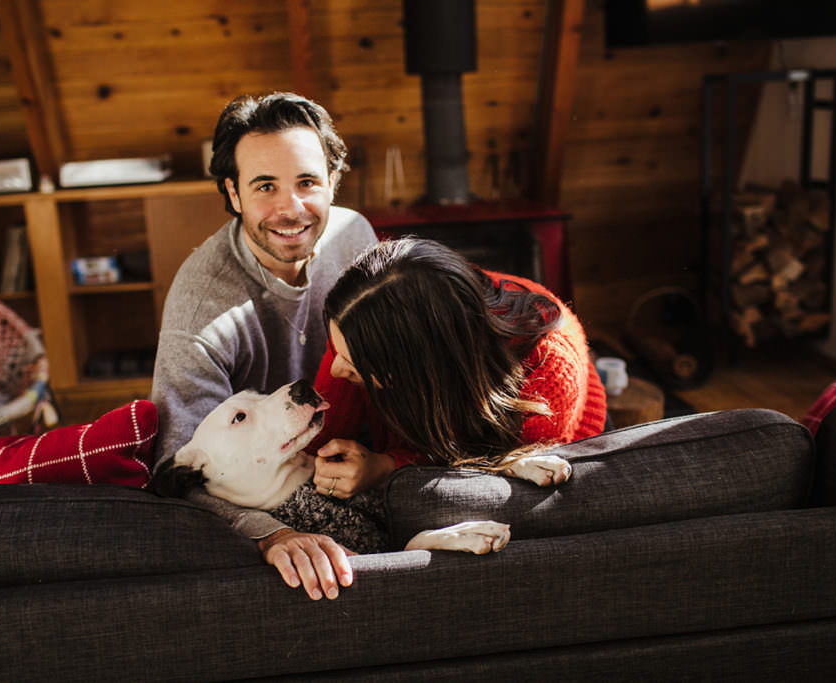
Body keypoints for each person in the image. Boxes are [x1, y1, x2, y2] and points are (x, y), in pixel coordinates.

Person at [150, 92, 377, 600]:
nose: (290, 208)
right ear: (233, 192)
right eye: (265, 186)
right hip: (272, 498)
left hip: (361, 461)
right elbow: (174, 469)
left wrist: (385, 464)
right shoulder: (200, 310)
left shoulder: (355, 236)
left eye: (307, 182)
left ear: (333, 181)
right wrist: (271, 535)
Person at [306, 237, 608, 500]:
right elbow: (313, 443)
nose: (335, 371)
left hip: (540, 443)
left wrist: (387, 467)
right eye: (336, 350)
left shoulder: (548, 366)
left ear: (420, 365)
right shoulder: (358, 323)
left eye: (352, 364)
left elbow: (493, 483)